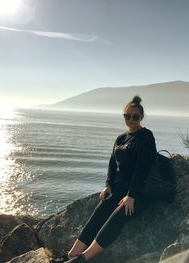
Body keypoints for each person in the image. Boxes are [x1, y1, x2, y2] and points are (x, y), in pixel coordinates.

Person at [50, 95, 157, 263]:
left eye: (135, 116)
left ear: (141, 117)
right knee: (100, 211)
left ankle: (83, 259)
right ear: (123, 116)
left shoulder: (146, 136)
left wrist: (132, 195)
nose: (131, 119)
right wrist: (108, 185)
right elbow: (112, 165)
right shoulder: (120, 138)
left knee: (118, 216)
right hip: (120, 188)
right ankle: (71, 255)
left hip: (140, 191)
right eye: (127, 116)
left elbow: (143, 168)